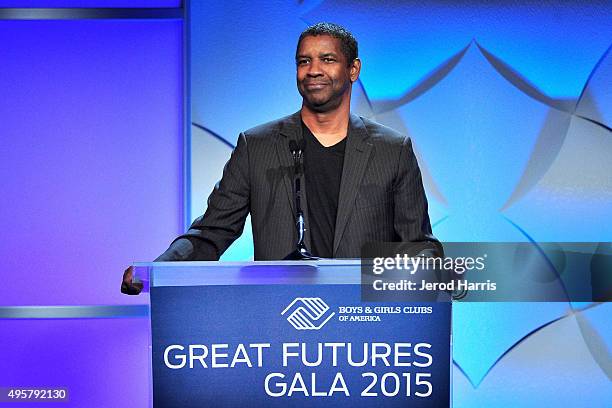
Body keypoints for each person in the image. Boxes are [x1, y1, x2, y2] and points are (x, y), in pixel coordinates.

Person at [122, 22, 439, 294]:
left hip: (366, 326)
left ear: (353, 69)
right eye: (304, 61)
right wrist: (156, 270)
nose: (313, 70)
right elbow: (211, 232)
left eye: (327, 59)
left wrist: (442, 274)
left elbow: (417, 245)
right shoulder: (257, 146)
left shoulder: (391, 150)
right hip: (278, 326)